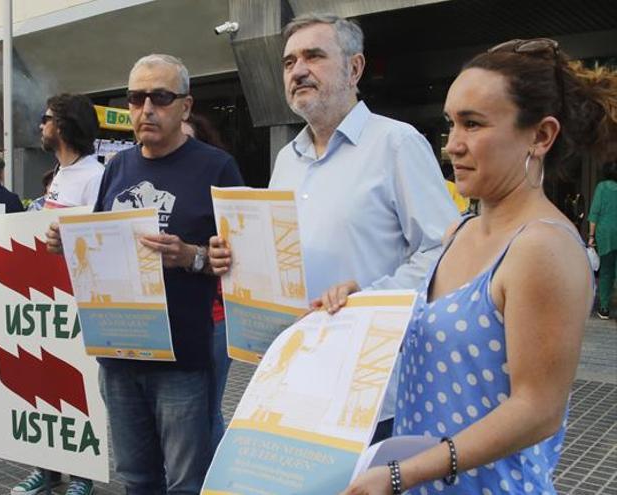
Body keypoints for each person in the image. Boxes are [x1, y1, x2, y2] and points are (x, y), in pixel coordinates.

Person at [340, 38, 615, 495]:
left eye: (473, 124)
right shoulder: (459, 231)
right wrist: (361, 303)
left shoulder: (542, 247)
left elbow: (537, 409)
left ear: (541, 136)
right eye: (450, 123)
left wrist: (402, 473)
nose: (453, 147)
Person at [208, 12, 457, 441]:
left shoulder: (396, 144)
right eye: (288, 63)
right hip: (295, 378)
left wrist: (368, 297)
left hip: (369, 388)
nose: (298, 71)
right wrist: (237, 258)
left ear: (354, 68)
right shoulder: (287, 158)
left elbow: (444, 250)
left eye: (314, 56)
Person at [46, 54, 243, 494]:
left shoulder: (216, 168)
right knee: (136, 478)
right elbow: (99, 246)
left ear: (186, 107)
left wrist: (189, 255)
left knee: (188, 481)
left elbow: (243, 263)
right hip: (118, 353)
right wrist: (69, 242)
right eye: (136, 97)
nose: (146, 108)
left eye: (160, 96)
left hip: (182, 359)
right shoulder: (117, 166)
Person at [11, 93, 104, 495]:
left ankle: (82, 475)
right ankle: (47, 469)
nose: (41, 126)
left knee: (77, 387)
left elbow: (97, 237)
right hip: (46, 301)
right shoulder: (61, 174)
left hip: (78, 301)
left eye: (46, 119)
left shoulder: (93, 176)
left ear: (63, 126)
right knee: (46, 387)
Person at [181, 113, 231, 450]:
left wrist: (195, 255)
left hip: (213, 322)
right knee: (182, 417)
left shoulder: (219, 190)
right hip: (167, 328)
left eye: (188, 141)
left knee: (205, 413)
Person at [589, 161, 617, 319]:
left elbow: (594, 213)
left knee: (606, 271)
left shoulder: (602, 187)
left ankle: (604, 308)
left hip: (605, 234)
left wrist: (591, 236)